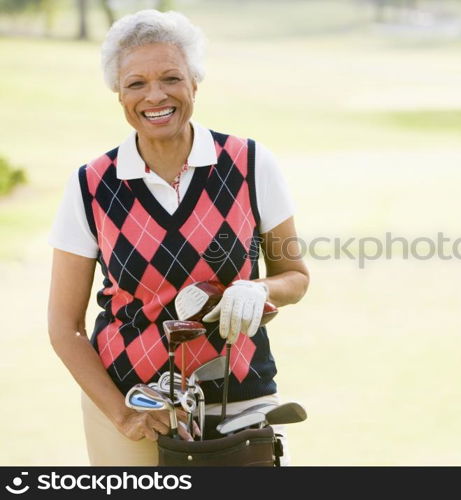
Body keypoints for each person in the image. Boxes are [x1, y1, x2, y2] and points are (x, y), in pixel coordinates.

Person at [47, 9, 309, 466]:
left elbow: (295, 275)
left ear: (194, 83)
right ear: (118, 92)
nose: (155, 96)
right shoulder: (91, 184)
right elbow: (63, 328)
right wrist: (122, 416)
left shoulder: (250, 164)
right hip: (130, 402)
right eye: (136, 83)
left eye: (171, 78)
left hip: (239, 398)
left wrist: (258, 288)